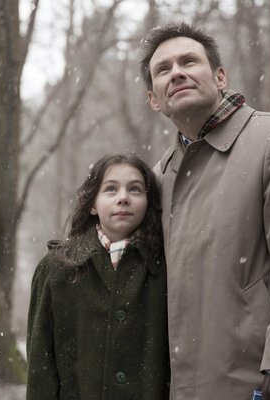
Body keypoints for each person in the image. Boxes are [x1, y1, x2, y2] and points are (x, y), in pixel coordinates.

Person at [139, 22, 270, 400]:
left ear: (220, 77)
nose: (178, 73)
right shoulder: (156, 179)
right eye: (163, 69)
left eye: (189, 61)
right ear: (154, 98)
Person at [26, 153, 169, 400]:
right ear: (93, 204)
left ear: (148, 202)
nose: (123, 198)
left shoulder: (166, 268)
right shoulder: (56, 270)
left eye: (135, 190)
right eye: (111, 189)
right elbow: (41, 368)